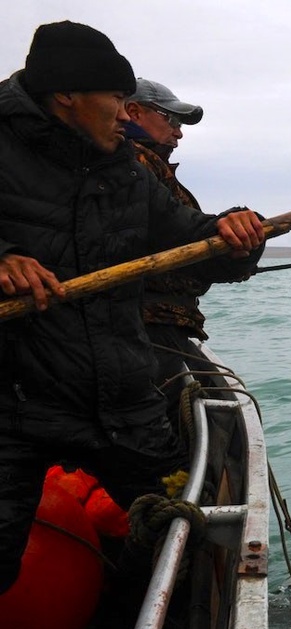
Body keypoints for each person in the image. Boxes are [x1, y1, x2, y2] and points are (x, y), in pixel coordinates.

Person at [0, 21, 266, 596]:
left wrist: (236, 232)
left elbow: (191, 241)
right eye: (118, 100)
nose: (127, 115)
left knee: (182, 535)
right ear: (66, 95)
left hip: (121, 400)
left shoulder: (125, 168)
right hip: (11, 405)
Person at [123, 77, 258, 406]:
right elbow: (179, 233)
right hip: (146, 327)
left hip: (156, 325)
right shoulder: (132, 162)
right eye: (170, 119)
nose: (179, 132)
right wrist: (232, 234)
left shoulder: (148, 165)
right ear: (134, 112)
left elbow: (180, 237)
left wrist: (236, 250)